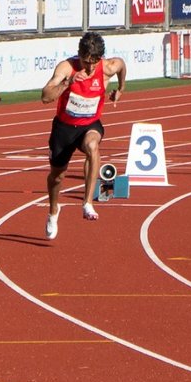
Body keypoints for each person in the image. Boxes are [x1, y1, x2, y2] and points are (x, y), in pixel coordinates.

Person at [39, 30, 128, 239]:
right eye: (85, 61)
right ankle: (53, 210)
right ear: (79, 55)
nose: (89, 67)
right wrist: (67, 83)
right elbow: (45, 97)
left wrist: (121, 88)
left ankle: (87, 203)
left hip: (90, 124)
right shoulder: (66, 68)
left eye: (93, 62)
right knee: (57, 176)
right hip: (64, 128)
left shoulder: (107, 68)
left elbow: (122, 65)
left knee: (93, 146)